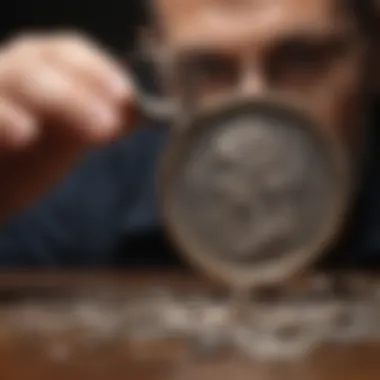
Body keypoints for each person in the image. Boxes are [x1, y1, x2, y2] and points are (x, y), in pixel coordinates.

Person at [0, 0, 377, 269]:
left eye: (301, 59)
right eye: (207, 70)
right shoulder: (79, 179)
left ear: (371, 56)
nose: (253, 108)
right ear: (160, 69)